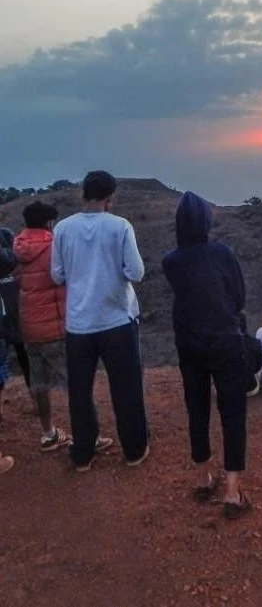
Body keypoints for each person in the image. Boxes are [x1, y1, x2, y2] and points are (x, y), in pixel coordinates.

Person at [51, 171, 149, 472]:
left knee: (80, 391)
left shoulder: (64, 229)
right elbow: (136, 272)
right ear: (110, 197)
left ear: (84, 194)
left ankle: (83, 453)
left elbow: (56, 275)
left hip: (79, 323)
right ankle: (133, 450)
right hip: (116, 319)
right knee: (126, 387)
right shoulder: (119, 226)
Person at [162, 191, 250, 519]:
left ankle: (203, 478)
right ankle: (231, 491)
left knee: (196, 410)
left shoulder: (170, 261)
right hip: (225, 341)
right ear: (205, 221)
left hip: (189, 344)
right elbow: (238, 298)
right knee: (232, 413)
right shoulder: (222, 254)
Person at [13, 204, 80, 452]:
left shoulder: (17, 245)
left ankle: (48, 433)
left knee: (40, 383)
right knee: (75, 383)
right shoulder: (54, 246)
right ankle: (88, 437)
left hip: (29, 326)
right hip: (54, 326)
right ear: (48, 223)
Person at [0, 228, 32, 399]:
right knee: (23, 356)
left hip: (6, 311)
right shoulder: (9, 237)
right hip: (17, 308)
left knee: (5, 358)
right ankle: (36, 400)